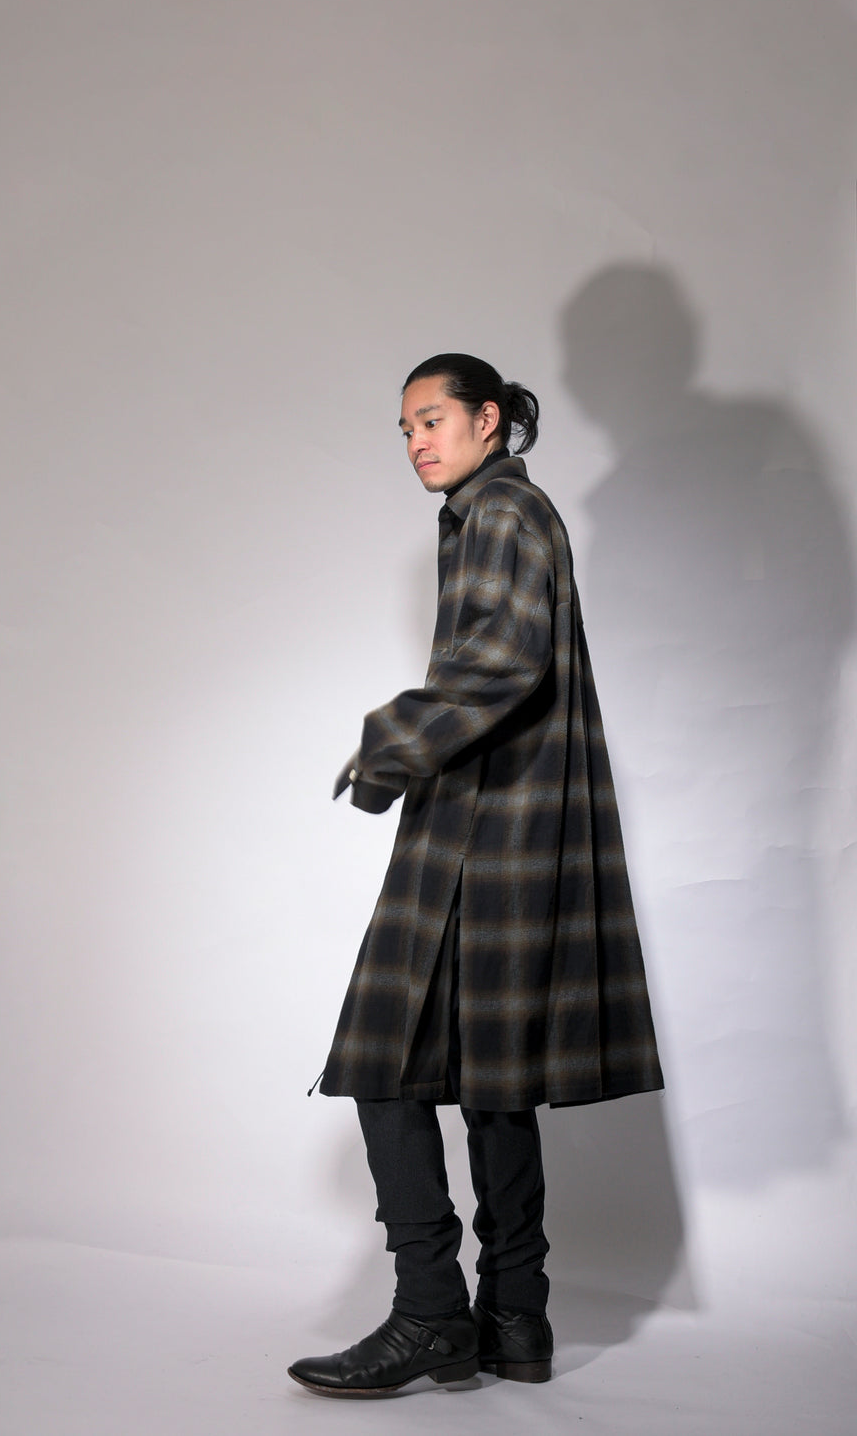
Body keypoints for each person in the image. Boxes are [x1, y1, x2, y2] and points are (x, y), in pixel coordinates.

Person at [288, 353, 664, 1399]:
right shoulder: (504, 511)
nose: (416, 440)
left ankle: (429, 1316)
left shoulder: (501, 510)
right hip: (512, 827)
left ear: (488, 418)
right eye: (405, 427)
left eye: (432, 418)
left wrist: (386, 746)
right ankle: (514, 1317)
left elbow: (502, 659)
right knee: (492, 1077)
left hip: (483, 827)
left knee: (382, 1056)